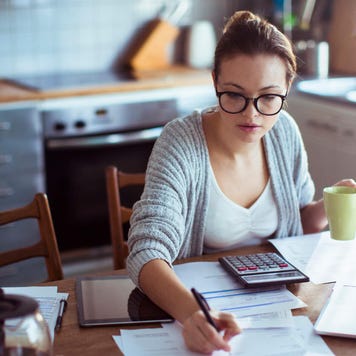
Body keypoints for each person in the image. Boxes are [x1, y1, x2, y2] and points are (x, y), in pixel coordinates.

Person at [126, 10, 356, 354]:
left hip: (279, 310)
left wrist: (330, 205)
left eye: (268, 97)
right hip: (202, 308)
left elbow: (297, 222)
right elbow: (146, 250)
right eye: (234, 94)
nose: (252, 114)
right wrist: (193, 316)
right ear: (215, 81)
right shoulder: (181, 141)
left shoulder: (285, 132)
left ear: (287, 88)